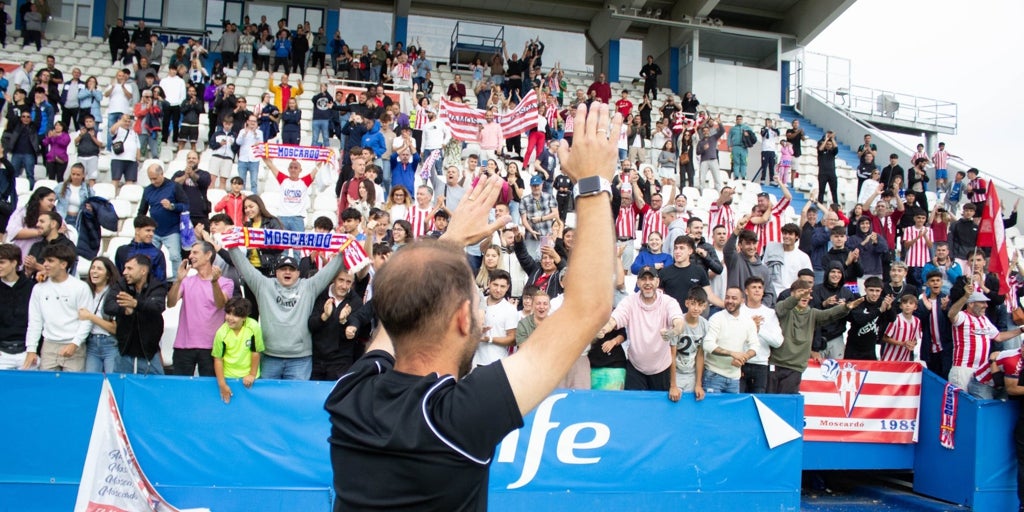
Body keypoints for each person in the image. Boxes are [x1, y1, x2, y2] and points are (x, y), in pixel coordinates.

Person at [324, 102, 616, 510]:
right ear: (464, 319)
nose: (482, 314)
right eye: (477, 306)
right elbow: (590, 307)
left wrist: (451, 241)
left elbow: (404, 301)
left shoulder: (350, 394)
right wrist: (593, 181)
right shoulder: (452, 419)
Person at [598, 265, 686, 398]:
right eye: (643, 279)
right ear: (638, 283)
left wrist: (673, 331)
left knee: (658, 410)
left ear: (657, 282)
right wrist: (604, 329)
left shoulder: (669, 302)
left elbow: (679, 322)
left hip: (661, 369)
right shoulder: (629, 301)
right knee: (634, 408)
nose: (647, 283)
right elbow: (615, 319)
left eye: (651, 279)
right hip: (636, 367)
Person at [769, 281, 862, 393]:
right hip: (775, 364)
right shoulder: (784, 309)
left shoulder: (812, 314)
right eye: (800, 293)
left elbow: (829, 314)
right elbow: (780, 309)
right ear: (792, 294)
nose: (804, 296)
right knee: (769, 401)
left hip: (795, 367)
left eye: (807, 294)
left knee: (786, 403)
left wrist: (846, 307)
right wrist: (795, 298)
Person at [168, 241, 232, 377]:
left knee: (209, 390)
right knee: (181, 389)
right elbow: (171, 303)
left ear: (208, 255)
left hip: (212, 347)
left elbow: (221, 304)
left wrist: (214, 283)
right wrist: (178, 280)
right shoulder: (186, 281)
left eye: (195, 252)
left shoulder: (226, 282)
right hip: (184, 345)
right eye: (191, 253)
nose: (190, 256)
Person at [24, 244, 92, 371]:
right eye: (44, 260)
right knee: (48, 389)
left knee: (72, 388)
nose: (45, 264)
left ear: (63, 264)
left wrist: (75, 343)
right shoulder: (38, 288)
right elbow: (35, 321)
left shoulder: (80, 287)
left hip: (74, 346)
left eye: (50, 261)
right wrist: (31, 349)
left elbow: (86, 320)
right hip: (49, 345)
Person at [947, 285, 1024, 393]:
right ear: (971, 303)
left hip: (980, 371)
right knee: (961, 405)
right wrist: (965, 297)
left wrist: (1021, 330)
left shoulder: (984, 319)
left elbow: (999, 337)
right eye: (982, 302)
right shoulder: (962, 316)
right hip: (963, 369)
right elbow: (951, 314)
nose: (986, 305)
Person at [104, 254, 167, 374]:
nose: (124, 272)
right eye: (125, 268)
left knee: (156, 390)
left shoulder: (157, 286)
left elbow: (158, 306)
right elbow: (108, 306)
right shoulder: (121, 284)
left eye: (129, 268)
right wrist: (124, 310)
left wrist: (135, 304)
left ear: (143, 271)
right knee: (119, 390)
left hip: (149, 353)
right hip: (124, 352)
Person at [309, 269, 364, 380]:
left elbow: (353, 334)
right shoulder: (320, 295)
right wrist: (324, 316)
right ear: (333, 279)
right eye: (341, 280)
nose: (344, 286)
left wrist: (343, 322)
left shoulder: (356, 301)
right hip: (317, 359)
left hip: (341, 362)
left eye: (348, 282)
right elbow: (311, 326)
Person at [213, 297, 264, 403]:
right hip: (228, 377)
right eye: (228, 313)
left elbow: (256, 352)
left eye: (235, 315)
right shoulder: (221, 333)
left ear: (244, 317)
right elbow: (218, 359)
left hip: (249, 378)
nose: (230, 318)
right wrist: (222, 385)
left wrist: (252, 375)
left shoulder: (254, 327)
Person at [80, 257, 120, 373]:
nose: (94, 271)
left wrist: (91, 317)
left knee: (112, 383)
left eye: (99, 269)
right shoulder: (85, 291)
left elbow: (115, 328)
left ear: (108, 275)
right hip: (91, 343)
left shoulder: (114, 294)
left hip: (110, 343)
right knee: (92, 383)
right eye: (92, 268)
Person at [0, 243, 34, 369]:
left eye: (2, 262)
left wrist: (34, 350)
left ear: (14, 263)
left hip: (27, 351)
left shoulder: (31, 287)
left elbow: (37, 320)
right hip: (2, 354)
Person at [24, 211, 76, 280]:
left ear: (53, 224)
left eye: (42, 222)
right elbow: (27, 275)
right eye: (38, 221)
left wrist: (36, 266)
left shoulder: (67, 245)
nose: (37, 224)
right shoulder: (36, 246)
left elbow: (64, 272)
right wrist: (28, 272)